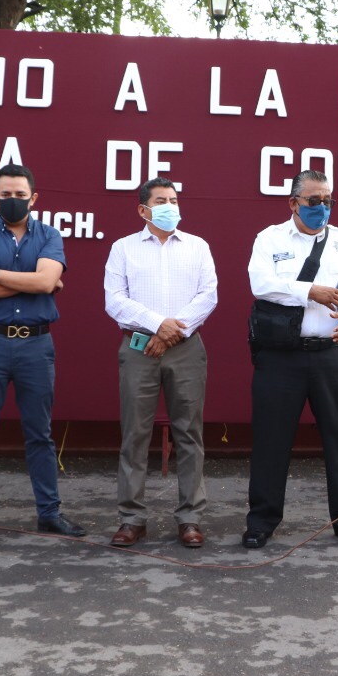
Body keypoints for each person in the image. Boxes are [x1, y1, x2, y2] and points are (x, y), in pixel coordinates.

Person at [0, 163, 84, 548]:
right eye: (6, 194)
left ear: (33, 198)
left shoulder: (50, 234)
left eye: (20, 195)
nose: (13, 200)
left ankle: (49, 513)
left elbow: (38, 281)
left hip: (36, 345)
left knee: (39, 433)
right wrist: (40, 284)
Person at [243, 170, 338, 550]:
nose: (322, 208)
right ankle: (262, 521)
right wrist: (309, 291)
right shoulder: (269, 238)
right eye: (313, 201)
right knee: (271, 441)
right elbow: (260, 284)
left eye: (328, 200)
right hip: (280, 357)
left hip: (331, 354)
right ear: (294, 203)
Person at [104, 178, 218, 548]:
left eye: (173, 200)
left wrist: (171, 332)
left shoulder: (198, 247)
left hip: (185, 349)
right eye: (161, 201)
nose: (170, 206)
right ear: (143, 209)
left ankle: (190, 518)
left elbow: (208, 295)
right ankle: (132, 518)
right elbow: (115, 300)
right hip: (138, 348)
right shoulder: (123, 249)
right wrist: (158, 325)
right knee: (134, 436)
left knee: (189, 434)